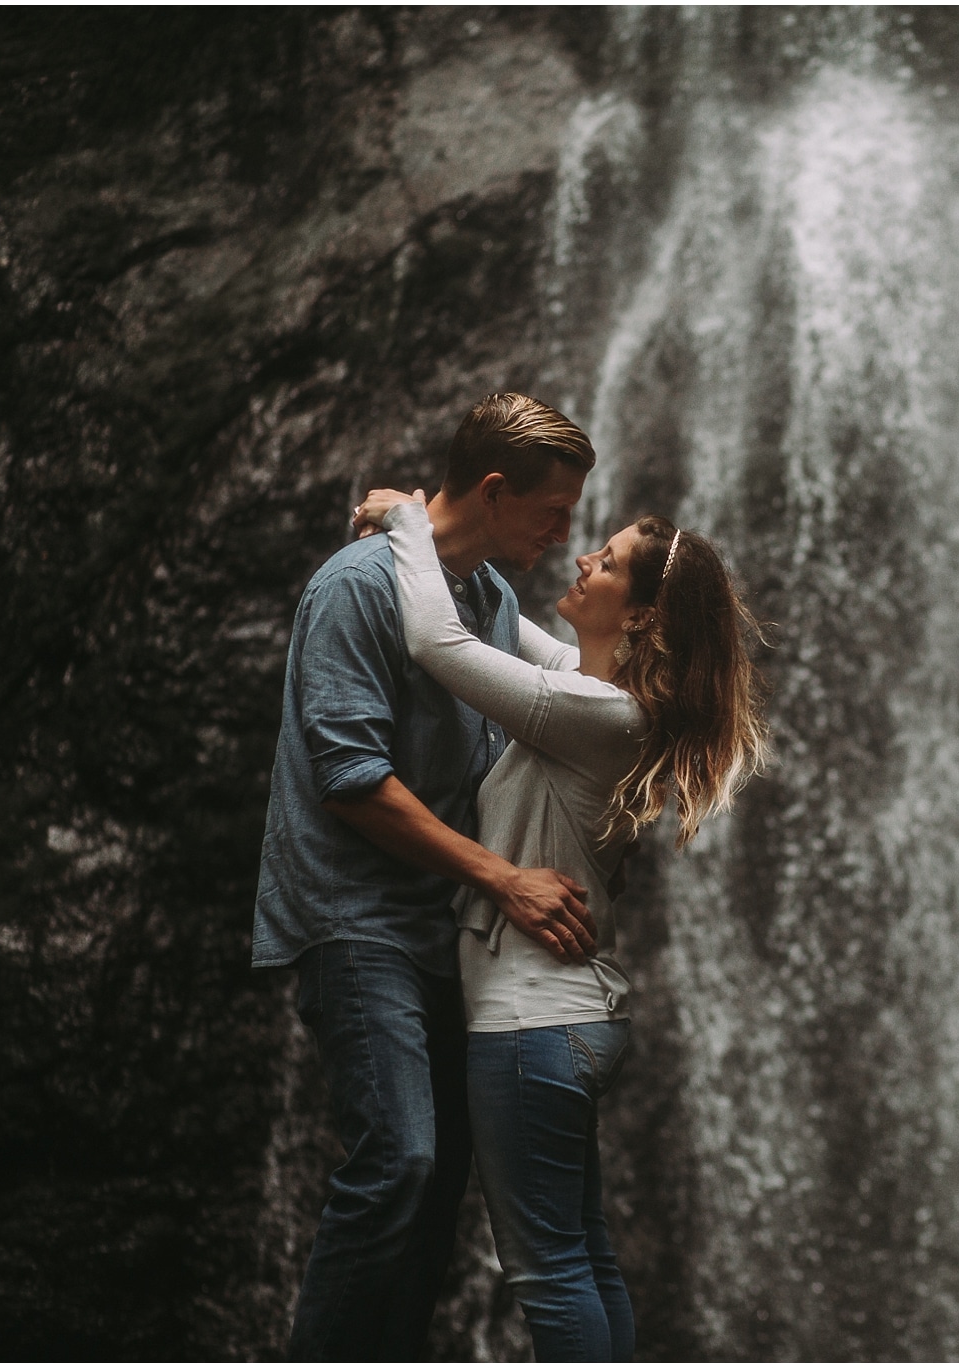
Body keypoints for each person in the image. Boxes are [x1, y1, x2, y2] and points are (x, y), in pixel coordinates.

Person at [352, 482, 769, 1361]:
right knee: (584, 1257)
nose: (584, 558)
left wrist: (406, 521)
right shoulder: (599, 699)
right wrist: (462, 549)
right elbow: (497, 635)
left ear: (646, 618)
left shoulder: (597, 713)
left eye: (608, 562)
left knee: (547, 1273)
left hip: (528, 1023)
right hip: (572, 1020)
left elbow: (439, 641)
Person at [252, 394, 605, 1360]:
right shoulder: (358, 586)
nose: (566, 535)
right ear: (495, 490)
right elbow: (351, 782)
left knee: (443, 1175)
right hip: (354, 919)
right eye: (558, 511)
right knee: (402, 1156)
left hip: (442, 928)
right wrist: (506, 881)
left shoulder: (484, 598)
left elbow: (578, 688)